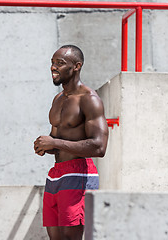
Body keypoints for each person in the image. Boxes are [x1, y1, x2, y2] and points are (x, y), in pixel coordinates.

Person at [34, 45, 109, 240]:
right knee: (55, 238)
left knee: (70, 238)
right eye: (52, 62)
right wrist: (46, 146)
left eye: (60, 63)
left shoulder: (89, 99)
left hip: (79, 173)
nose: (53, 67)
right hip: (56, 175)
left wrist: (55, 143)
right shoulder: (58, 99)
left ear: (76, 66)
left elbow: (99, 146)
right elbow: (58, 139)